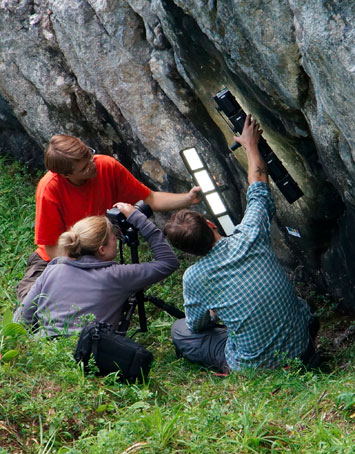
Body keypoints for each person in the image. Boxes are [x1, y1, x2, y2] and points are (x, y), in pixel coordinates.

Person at [165, 115, 319, 373]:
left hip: (257, 368)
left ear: (188, 252)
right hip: (302, 349)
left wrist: (214, 314)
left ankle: (234, 367)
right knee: (297, 308)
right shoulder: (250, 234)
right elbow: (258, 184)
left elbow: (198, 325)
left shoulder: (194, 278)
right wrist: (250, 145)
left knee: (181, 331)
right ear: (211, 225)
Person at [17, 134, 200, 301]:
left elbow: (149, 199)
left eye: (90, 155)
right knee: (32, 305)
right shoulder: (49, 189)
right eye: (84, 167)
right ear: (65, 175)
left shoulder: (106, 166)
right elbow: (51, 249)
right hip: (58, 260)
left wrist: (188, 199)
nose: (92, 165)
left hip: (96, 256)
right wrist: (83, 273)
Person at [14, 203, 179, 336]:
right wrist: (139, 220)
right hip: (93, 352)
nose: (117, 238)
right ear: (101, 249)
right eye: (114, 236)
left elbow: (22, 318)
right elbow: (168, 262)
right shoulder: (117, 276)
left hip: (48, 349)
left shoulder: (53, 269)